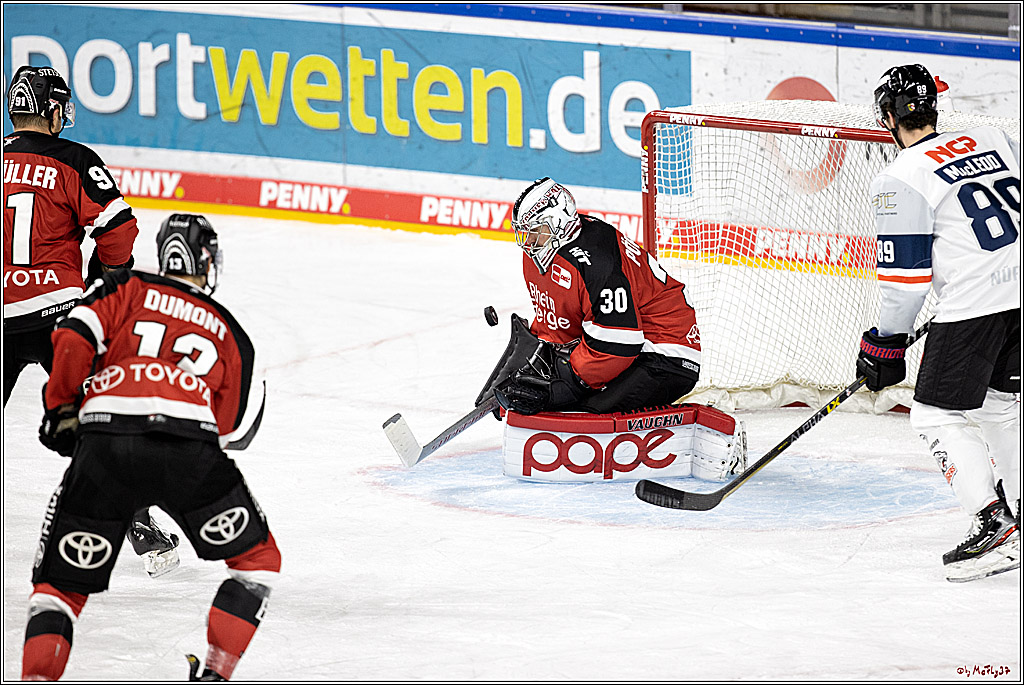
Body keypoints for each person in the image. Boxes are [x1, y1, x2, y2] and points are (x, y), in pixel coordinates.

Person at [24, 213, 275, 681]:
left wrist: (61, 408)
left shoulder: (125, 287)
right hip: (189, 452)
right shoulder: (228, 328)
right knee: (258, 564)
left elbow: (74, 334)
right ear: (207, 260)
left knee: (58, 591)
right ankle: (216, 673)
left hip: (105, 446)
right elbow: (231, 430)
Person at [4, 65, 182, 577]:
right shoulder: (75, 160)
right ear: (52, 110)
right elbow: (119, 228)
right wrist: (104, 278)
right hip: (57, 315)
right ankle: (143, 532)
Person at [857, 64, 1020, 582]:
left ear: (888, 117)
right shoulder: (993, 137)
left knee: (932, 413)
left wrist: (885, 342)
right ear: (933, 106)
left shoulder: (901, 175)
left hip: (975, 304)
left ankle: (994, 523)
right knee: (999, 404)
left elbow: (906, 283)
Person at [494, 177, 701, 415]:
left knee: (581, 414)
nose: (529, 241)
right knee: (555, 407)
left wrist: (568, 382)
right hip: (629, 346)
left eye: (536, 231)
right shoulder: (543, 255)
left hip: (667, 352)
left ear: (558, 222)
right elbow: (561, 324)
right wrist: (532, 368)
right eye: (525, 232)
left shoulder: (598, 263)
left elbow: (619, 343)